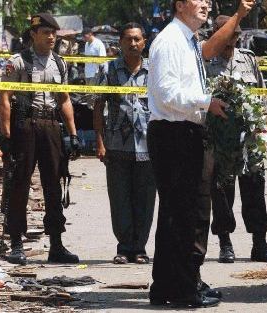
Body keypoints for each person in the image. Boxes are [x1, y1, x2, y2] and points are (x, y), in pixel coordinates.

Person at [147, 0, 255, 308]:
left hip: (185, 131)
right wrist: (206, 101)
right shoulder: (169, 41)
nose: (206, 4)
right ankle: (180, 289)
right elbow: (168, 95)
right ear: (180, 5)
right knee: (181, 215)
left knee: (181, 214)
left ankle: (173, 283)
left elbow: (206, 53)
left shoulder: (188, 39)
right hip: (173, 133)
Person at [0, 13, 81, 265]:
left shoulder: (60, 63)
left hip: (50, 126)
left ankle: (56, 244)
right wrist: (6, 135)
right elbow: (4, 97)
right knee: (19, 184)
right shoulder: (17, 62)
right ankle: (16, 243)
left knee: (54, 185)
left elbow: (64, 99)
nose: (51, 37)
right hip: (25, 125)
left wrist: (73, 133)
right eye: (45, 32)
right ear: (33, 34)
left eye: (53, 33)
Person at [204, 15, 267, 264]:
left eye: (234, 34)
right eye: (225, 34)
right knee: (222, 191)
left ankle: (260, 243)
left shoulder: (247, 59)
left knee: (255, 186)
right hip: (219, 136)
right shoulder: (205, 60)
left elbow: (261, 93)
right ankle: (225, 242)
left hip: (249, 135)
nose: (230, 39)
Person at [93, 23, 156, 265]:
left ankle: (139, 248)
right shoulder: (109, 69)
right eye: (128, 39)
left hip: (148, 146)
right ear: (120, 43)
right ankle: (124, 247)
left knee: (145, 199)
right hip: (116, 145)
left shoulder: (154, 70)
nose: (133, 44)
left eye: (137, 39)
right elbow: (98, 106)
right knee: (120, 198)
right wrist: (99, 141)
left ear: (144, 42)